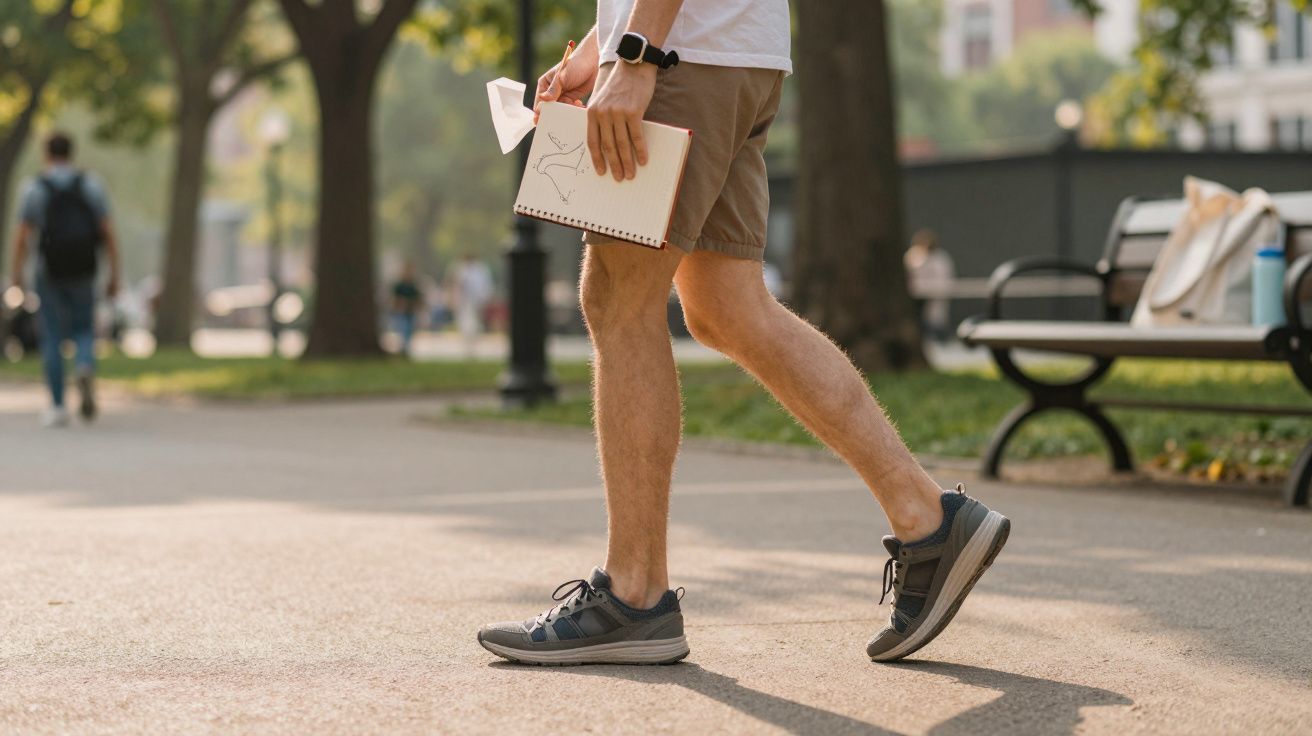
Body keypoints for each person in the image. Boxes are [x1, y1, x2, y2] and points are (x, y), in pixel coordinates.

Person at [477, 0, 1009, 666]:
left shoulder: (656, 54)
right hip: (725, 54)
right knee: (726, 307)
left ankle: (632, 598)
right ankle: (927, 518)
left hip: (684, 56)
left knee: (618, 301)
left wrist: (636, 54)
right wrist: (600, 46)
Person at [9, 132, 120, 427]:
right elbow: (108, 232)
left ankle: (58, 405)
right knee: (84, 328)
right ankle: (84, 365)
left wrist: (16, 275)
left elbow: (22, 237)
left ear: (46, 154)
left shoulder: (35, 188)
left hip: (48, 272)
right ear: (72, 153)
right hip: (85, 269)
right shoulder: (91, 186)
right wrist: (114, 274)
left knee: (52, 335)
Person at [904, 229, 956, 344]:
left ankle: (942, 341)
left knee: (936, 322)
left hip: (934, 296)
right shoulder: (912, 256)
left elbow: (944, 278)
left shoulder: (940, 258)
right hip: (915, 297)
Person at [451, 254, 493, 357]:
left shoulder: (480, 270)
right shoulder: (461, 269)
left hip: (475, 301)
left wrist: (483, 298)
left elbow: (484, 286)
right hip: (465, 302)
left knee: (474, 323)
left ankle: (473, 343)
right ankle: (468, 343)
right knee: (466, 322)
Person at [389, 262, 423, 356]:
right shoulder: (399, 285)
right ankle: (403, 348)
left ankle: (406, 348)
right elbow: (395, 299)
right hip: (401, 312)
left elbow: (417, 298)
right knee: (403, 329)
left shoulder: (413, 285)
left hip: (410, 311)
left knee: (409, 330)